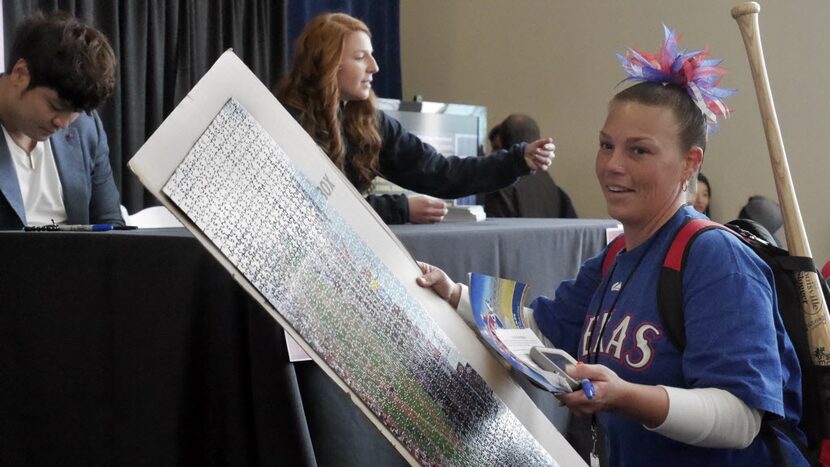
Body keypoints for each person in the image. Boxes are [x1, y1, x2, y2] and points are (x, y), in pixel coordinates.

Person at [417, 26, 806, 466]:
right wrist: (454, 295)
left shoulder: (718, 258)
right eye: (606, 145)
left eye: (639, 151)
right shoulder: (616, 258)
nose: (613, 166)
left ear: (690, 162)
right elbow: (541, 328)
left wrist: (625, 397)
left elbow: (741, 420)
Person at [275, 13, 554, 225]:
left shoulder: (370, 122)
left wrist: (517, 160)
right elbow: (316, 205)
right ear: (328, 63)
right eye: (361, 57)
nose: (375, 67)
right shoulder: (289, 118)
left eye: (371, 56)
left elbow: (441, 172)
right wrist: (402, 209)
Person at [0, 12, 123, 230]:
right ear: (20, 73)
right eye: (55, 107)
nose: (64, 124)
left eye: (74, 112)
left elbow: (110, 227)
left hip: (78, 262)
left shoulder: (86, 128)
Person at [484, 113, 577, 218]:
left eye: (496, 148)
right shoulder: (556, 191)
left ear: (504, 144)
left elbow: (495, 233)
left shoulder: (499, 187)